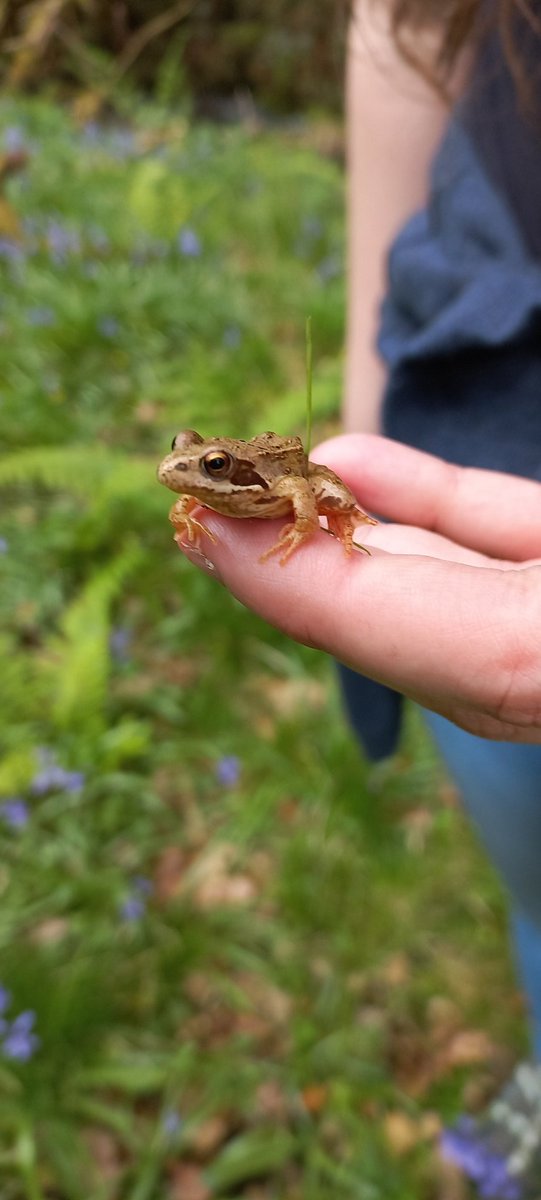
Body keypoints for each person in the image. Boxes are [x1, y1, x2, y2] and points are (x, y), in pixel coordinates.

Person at [176, 2, 541, 1194]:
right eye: (194, 467)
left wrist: (307, 512)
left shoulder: (271, 485)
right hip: (446, 467)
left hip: (395, 485)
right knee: (530, 871)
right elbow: (370, 306)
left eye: (205, 470)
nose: (192, 477)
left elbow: (307, 494)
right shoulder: (415, 13)